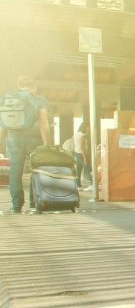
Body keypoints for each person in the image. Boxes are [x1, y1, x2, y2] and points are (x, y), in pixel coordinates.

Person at [0, 76, 52, 213]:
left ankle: (16, 205)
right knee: (37, 170)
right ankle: (34, 202)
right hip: (34, 140)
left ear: (19, 86)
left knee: (15, 172)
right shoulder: (39, 100)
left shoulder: (7, 99)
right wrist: (47, 144)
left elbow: (2, 124)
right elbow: (43, 123)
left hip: (13, 140)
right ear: (34, 86)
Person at [62, 122, 88, 189]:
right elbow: (82, 146)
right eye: (88, 127)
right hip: (82, 154)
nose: (89, 129)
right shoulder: (83, 135)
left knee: (78, 170)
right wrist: (85, 157)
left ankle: (78, 185)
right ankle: (93, 185)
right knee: (88, 169)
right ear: (85, 127)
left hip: (77, 153)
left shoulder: (76, 134)